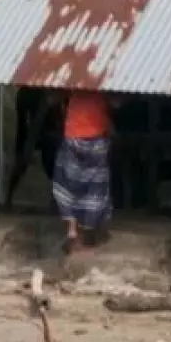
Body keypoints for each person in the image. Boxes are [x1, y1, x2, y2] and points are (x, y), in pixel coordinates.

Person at [53, 90, 113, 254]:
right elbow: (117, 103)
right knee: (96, 183)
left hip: (73, 136)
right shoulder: (103, 82)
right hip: (97, 136)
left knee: (67, 181)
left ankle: (72, 230)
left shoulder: (75, 80)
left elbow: (53, 97)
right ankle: (89, 229)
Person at [5, 87, 64, 208]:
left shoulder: (48, 90)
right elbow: (22, 121)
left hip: (47, 131)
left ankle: (56, 199)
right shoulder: (26, 92)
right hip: (37, 130)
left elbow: (58, 116)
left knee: (52, 166)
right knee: (23, 164)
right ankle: (8, 198)